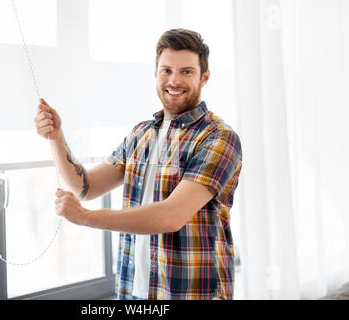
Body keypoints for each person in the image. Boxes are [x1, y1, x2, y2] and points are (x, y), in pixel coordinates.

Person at [34, 28, 242, 300]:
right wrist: (56, 137)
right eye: (166, 70)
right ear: (155, 73)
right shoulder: (142, 134)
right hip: (135, 291)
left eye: (186, 72)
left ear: (205, 77)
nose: (174, 80)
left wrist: (85, 217)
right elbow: (85, 187)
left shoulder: (218, 138)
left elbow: (171, 216)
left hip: (191, 293)